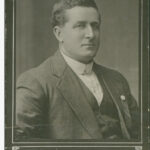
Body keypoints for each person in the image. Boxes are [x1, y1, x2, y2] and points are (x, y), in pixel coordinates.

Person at [15, 0, 139, 141]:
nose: (91, 34)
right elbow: (22, 142)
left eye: (95, 26)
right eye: (80, 26)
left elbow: (141, 135)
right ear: (59, 33)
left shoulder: (117, 80)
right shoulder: (36, 82)